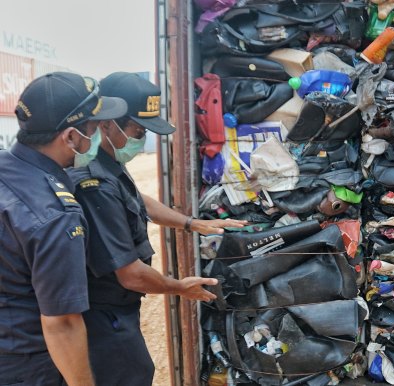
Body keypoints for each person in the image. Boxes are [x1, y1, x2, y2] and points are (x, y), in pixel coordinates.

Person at [67, 71, 246, 385]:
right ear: (107, 124)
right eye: (137, 130)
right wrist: (179, 288)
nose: (140, 139)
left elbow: (138, 200)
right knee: (133, 376)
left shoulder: (109, 164)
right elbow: (130, 274)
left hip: (117, 311)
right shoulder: (94, 185)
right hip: (104, 317)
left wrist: (193, 223)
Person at [0, 72, 127, 385]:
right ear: (71, 137)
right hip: (28, 367)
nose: (96, 135)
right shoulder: (56, 216)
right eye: (94, 128)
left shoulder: (9, 168)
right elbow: (62, 323)